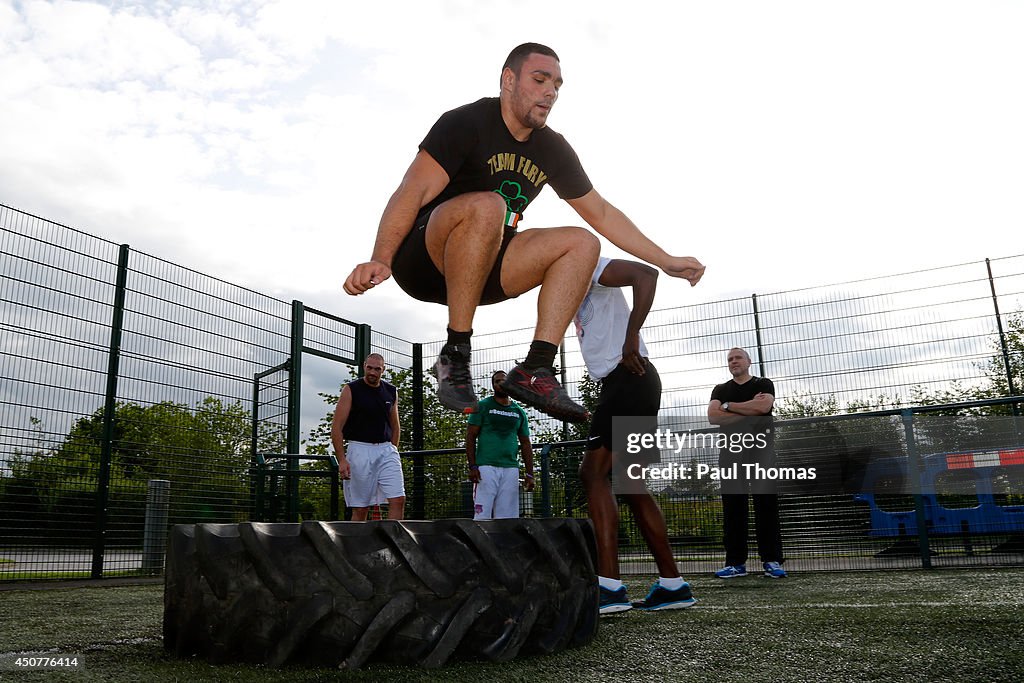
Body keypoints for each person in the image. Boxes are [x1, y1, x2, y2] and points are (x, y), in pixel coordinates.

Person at [343, 42, 704, 423]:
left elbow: (600, 211)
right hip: (424, 259)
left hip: (486, 271)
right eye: (540, 79)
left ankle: (536, 368)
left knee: (582, 242)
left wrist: (666, 261)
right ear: (509, 80)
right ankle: (456, 353)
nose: (551, 92)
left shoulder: (552, 147)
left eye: (558, 85)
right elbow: (411, 190)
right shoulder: (466, 123)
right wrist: (381, 257)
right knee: (490, 206)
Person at [575, 257, 698, 613]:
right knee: (632, 485)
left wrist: (631, 337)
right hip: (634, 380)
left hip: (628, 374)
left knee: (593, 473)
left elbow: (646, 274)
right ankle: (673, 585)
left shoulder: (590, 265)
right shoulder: (570, 287)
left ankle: (609, 587)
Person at [707, 348, 786, 578]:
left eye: (738, 357)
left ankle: (772, 560)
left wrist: (728, 406)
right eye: (730, 359)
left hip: (761, 451)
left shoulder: (764, 383)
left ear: (749, 361)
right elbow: (713, 416)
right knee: (733, 508)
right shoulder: (720, 389)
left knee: (766, 506)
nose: (734, 362)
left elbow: (764, 407)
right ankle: (735, 564)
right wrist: (749, 409)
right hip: (731, 454)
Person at [331, 353, 405, 521]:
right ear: (364, 366)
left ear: (383, 370)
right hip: (359, 449)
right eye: (369, 368)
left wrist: (393, 449)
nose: (372, 372)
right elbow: (336, 427)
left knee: (398, 499)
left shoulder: (391, 391)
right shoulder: (351, 389)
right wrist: (342, 459)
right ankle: (358, 545)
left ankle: (393, 543)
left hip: (386, 449)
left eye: (377, 369)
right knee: (361, 508)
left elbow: (395, 425)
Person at [466, 370, 535, 519]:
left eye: (504, 381)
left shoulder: (519, 412)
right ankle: (480, 543)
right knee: (482, 514)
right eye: (497, 381)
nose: (501, 384)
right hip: (485, 468)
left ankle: (505, 543)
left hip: (511, 469)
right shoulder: (482, 406)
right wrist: (472, 466)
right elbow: (470, 436)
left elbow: (525, 443)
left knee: (508, 517)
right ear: (493, 386)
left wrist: (530, 474)